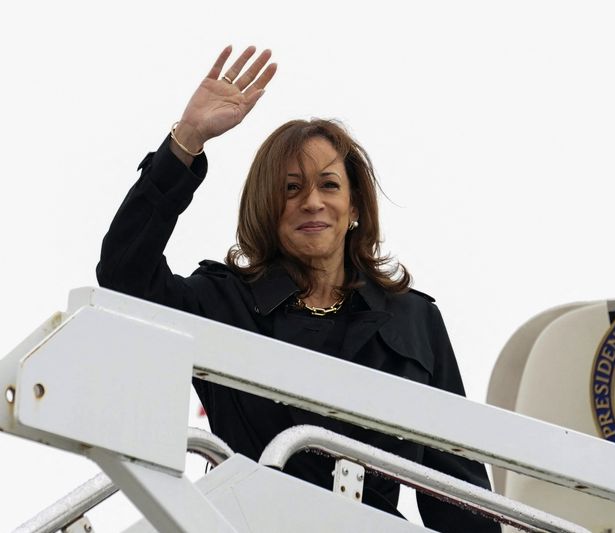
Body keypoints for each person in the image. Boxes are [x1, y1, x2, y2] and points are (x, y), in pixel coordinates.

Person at [97, 45, 500, 532]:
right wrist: (186, 141)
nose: (312, 202)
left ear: (354, 207)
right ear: (268, 208)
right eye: (291, 189)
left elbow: (456, 489)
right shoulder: (223, 302)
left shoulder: (413, 319)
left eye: (329, 185)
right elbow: (123, 272)